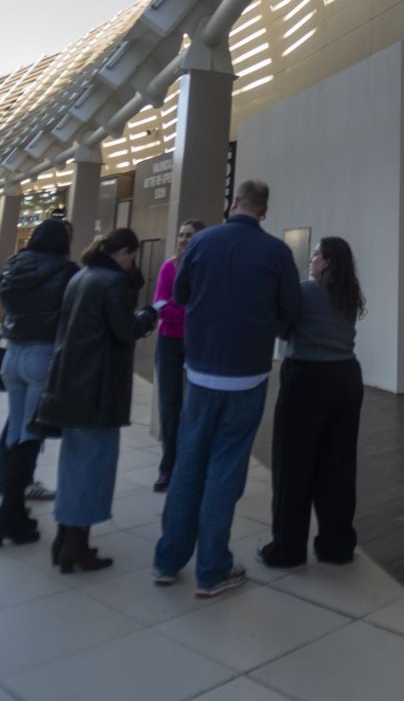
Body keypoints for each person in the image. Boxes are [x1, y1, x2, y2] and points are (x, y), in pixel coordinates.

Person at [152, 180, 303, 599]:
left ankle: (167, 560)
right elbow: (291, 310)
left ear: (234, 202)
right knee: (225, 468)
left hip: (199, 372)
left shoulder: (201, 244)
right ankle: (212, 567)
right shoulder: (277, 253)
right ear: (264, 211)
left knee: (188, 464)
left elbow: (181, 294)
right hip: (248, 375)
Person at [36, 228, 159, 573]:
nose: (133, 263)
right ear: (123, 253)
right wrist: (148, 317)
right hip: (98, 390)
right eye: (132, 257)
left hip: (70, 387)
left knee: (73, 467)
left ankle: (64, 539)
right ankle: (77, 546)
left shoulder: (81, 277)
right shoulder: (112, 283)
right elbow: (124, 330)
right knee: (94, 468)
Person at [259, 236, 365, 569]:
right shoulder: (350, 295)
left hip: (306, 379)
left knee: (293, 465)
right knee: (338, 465)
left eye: (316, 254)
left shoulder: (305, 291)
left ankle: (288, 548)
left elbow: (281, 327)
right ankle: (337, 545)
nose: (311, 259)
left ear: (329, 261)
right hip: (347, 378)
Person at [0, 217, 75, 548]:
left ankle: (6, 504)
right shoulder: (66, 271)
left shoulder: (15, 264)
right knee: (29, 433)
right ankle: (12, 516)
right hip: (42, 354)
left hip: (13, 353)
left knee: (15, 430)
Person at [150, 219, 203, 491]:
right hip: (168, 343)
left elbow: (203, 306)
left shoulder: (205, 269)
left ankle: (189, 465)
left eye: (189, 235)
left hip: (196, 344)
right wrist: (185, 314)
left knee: (193, 406)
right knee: (169, 406)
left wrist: (177, 312)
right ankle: (167, 467)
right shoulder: (168, 267)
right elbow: (159, 302)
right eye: (181, 234)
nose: (183, 239)